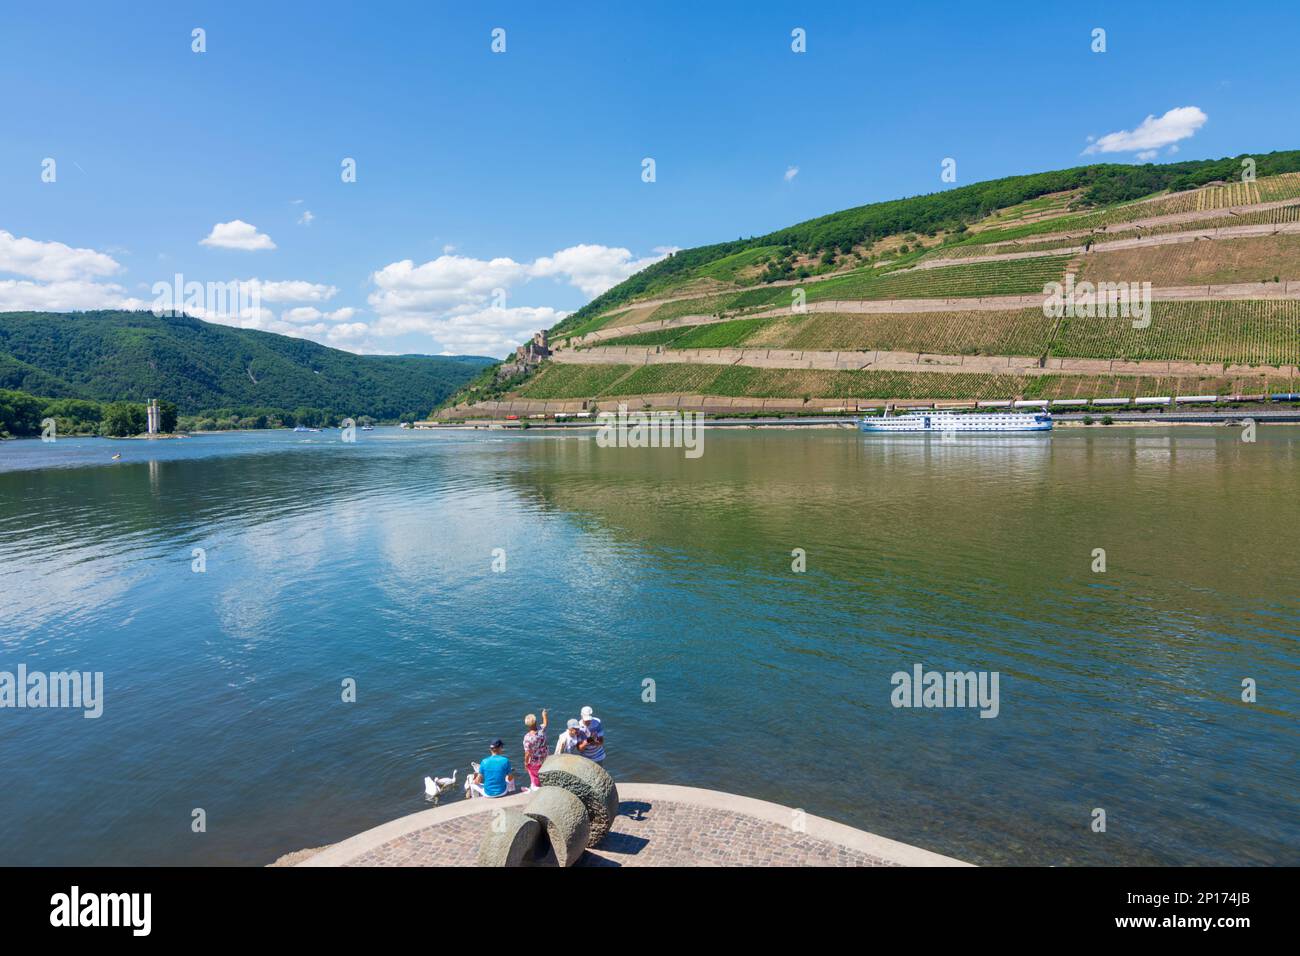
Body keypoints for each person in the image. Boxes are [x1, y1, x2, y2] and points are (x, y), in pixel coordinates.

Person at [522, 710, 548, 789]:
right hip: (544, 757)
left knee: (534, 775)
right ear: (536, 722)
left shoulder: (527, 738)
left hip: (534, 761)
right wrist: (544, 715)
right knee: (543, 773)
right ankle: (543, 784)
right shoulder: (541, 730)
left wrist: (526, 763)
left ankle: (535, 787)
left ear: (527, 725)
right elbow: (545, 723)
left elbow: (527, 753)